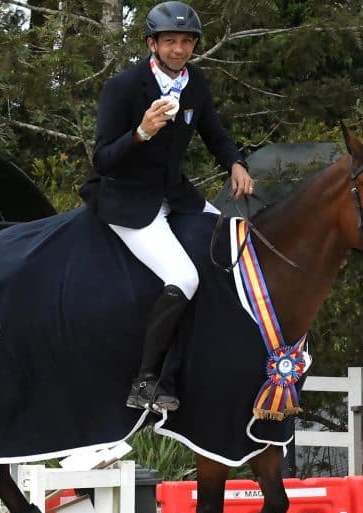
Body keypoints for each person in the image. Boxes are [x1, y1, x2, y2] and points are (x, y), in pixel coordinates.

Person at [79, 1, 255, 414]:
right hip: (128, 201)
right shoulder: (123, 87)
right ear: (152, 44)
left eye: (186, 42)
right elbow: (102, 160)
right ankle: (145, 381)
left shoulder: (195, 85)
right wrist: (141, 132)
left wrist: (236, 163)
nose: (179, 50)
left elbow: (215, 133)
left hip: (176, 196)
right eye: (170, 41)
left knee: (234, 241)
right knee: (184, 276)